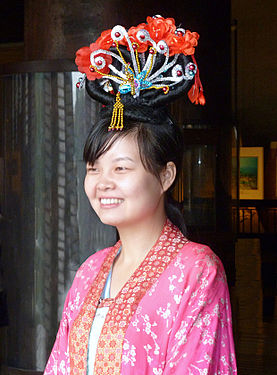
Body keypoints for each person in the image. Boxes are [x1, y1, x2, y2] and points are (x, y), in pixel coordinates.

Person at [44, 15, 237, 375]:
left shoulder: (196, 272)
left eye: (121, 168)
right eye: (93, 168)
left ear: (166, 175)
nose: (102, 182)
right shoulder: (89, 271)